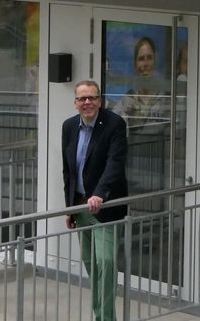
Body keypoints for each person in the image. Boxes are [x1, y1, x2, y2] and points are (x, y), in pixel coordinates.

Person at [62, 79, 128, 321]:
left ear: (100, 100)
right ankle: (99, 314)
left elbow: (115, 164)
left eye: (92, 98)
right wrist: (70, 208)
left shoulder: (114, 124)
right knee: (92, 265)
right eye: (82, 99)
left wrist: (100, 193)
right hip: (80, 207)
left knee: (107, 263)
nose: (87, 102)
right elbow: (68, 171)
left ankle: (106, 318)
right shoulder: (69, 126)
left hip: (105, 207)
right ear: (76, 103)